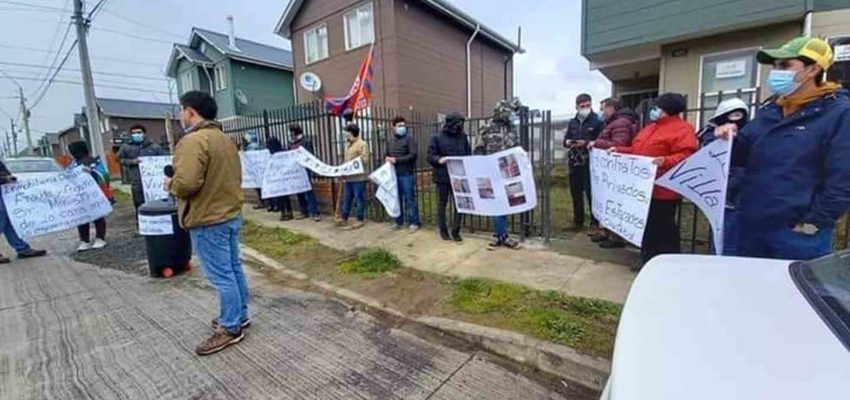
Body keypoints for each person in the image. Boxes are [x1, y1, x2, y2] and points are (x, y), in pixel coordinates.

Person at [715, 36, 850, 260]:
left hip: (798, 234)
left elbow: (843, 179)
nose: (776, 72)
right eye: (775, 66)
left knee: (789, 293)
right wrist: (728, 138)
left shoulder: (839, 113)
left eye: (785, 65)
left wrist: (814, 221)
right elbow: (741, 156)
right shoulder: (771, 110)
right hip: (752, 227)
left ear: (813, 69)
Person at [167, 91, 249, 356]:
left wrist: (171, 185)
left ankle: (229, 327)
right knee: (234, 270)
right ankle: (239, 316)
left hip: (208, 218)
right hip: (229, 215)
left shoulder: (193, 142)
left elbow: (187, 183)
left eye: (182, 110)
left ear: (190, 111)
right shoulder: (225, 140)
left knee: (222, 274)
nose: (181, 116)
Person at [611, 93, 697, 268]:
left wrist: (665, 161)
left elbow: (687, 155)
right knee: (647, 228)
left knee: (664, 228)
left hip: (664, 189)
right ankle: (648, 260)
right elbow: (638, 151)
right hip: (642, 188)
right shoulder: (650, 128)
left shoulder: (682, 129)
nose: (654, 110)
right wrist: (618, 150)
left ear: (667, 110)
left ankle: (669, 264)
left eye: (657, 107)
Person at [698, 98, 749, 256]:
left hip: (743, 191)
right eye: (732, 115)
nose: (735, 119)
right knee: (722, 232)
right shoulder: (709, 133)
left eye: (739, 115)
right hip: (720, 188)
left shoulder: (750, 132)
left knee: (733, 234)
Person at [591, 97, 639, 249]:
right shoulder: (612, 123)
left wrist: (596, 143)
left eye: (603, 108)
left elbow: (618, 145)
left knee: (616, 203)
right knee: (606, 200)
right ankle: (605, 231)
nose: (601, 112)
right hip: (608, 172)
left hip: (618, 172)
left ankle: (616, 236)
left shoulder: (621, 123)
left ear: (611, 108)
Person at [479, 99, 523, 250]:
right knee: (497, 205)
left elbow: (516, 148)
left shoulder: (512, 129)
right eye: (510, 112)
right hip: (492, 173)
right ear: (502, 112)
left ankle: (499, 235)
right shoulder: (486, 128)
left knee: (506, 204)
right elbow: (479, 150)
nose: (512, 116)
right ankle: (501, 236)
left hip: (509, 172)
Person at [428, 112, 471, 242]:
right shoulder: (437, 137)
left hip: (459, 176)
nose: (460, 126)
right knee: (442, 203)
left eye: (461, 123)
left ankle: (456, 231)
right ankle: (443, 230)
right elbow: (430, 156)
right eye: (458, 123)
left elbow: (468, 153)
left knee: (460, 203)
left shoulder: (463, 137)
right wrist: (439, 159)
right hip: (442, 176)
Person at [564, 94, 603, 232]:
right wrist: (569, 143)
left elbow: (601, 141)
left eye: (588, 105)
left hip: (589, 162)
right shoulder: (572, 122)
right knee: (576, 192)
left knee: (591, 193)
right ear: (576, 107)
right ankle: (577, 221)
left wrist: (585, 143)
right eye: (582, 106)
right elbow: (565, 140)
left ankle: (594, 222)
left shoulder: (597, 121)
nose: (585, 108)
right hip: (574, 162)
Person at [68, 141, 115, 252]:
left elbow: (104, 175)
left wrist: (92, 173)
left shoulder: (94, 162)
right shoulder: (73, 164)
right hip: (79, 196)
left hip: (95, 195)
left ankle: (100, 238)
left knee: (98, 216)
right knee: (82, 218)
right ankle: (84, 240)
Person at [0, 160, 47, 264]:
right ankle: (22, 248)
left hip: (4, 192)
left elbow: (3, 169)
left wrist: (8, 177)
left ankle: (22, 249)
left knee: (8, 222)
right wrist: (4, 179)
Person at [117, 124, 167, 212]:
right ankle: (140, 222)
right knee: (139, 204)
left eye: (139, 132)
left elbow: (163, 158)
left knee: (156, 204)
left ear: (144, 133)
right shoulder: (126, 147)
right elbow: (119, 159)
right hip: (136, 181)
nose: (136, 135)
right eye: (134, 133)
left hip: (153, 182)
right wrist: (132, 162)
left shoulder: (154, 146)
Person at [386, 117, 420, 230]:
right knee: (397, 198)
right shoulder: (390, 141)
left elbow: (413, 155)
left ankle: (414, 222)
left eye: (403, 125)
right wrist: (387, 158)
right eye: (399, 126)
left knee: (410, 199)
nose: (402, 128)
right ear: (393, 127)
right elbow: (386, 154)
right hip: (394, 175)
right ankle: (398, 221)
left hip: (406, 174)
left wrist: (397, 160)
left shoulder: (409, 140)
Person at [337, 124, 370, 229]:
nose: (345, 134)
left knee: (359, 198)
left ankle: (360, 219)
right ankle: (344, 218)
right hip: (349, 177)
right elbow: (346, 160)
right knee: (347, 198)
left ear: (351, 132)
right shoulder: (347, 145)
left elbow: (365, 160)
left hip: (359, 177)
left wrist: (354, 162)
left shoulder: (362, 144)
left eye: (347, 132)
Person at [288, 125, 321, 221]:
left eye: (292, 132)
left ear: (295, 132)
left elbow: (309, 155)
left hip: (305, 169)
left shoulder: (306, 141)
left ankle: (315, 212)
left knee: (309, 191)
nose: (291, 134)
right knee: (299, 191)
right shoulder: (291, 143)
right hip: (296, 170)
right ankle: (304, 211)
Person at [265, 136, 293, 220]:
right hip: (278, 179)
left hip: (282, 178)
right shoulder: (271, 154)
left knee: (283, 197)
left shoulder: (281, 153)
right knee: (282, 197)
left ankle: (286, 212)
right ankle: (285, 212)